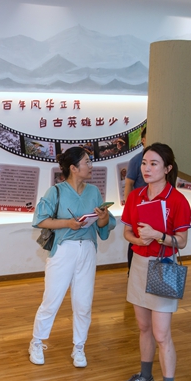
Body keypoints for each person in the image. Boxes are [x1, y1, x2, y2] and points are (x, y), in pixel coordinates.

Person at [119, 143, 191, 381]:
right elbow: (127, 232)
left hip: (163, 266)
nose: (146, 169)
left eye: (154, 164)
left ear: (167, 168)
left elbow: (181, 242)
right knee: (144, 327)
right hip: (139, 264)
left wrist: (158, 235)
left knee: (162, 334)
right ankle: (146, 376)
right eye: (144, 163)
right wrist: (138, 239)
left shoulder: (178, 200)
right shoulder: (135, 196)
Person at [29, 147, 116, 368]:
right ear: (73, 168)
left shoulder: (94, 191)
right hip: (63, 250)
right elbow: (40, 220)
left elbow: (103, 226)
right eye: (87, 162)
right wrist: (68, 223)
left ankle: (79, 347)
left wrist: (103, 217)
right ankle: (37, 342)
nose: (91, 166)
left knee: (83, 303)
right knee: (52, 300)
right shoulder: (55, 192)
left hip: (87, 249)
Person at [124, 127, 147, 271]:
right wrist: (129, 208)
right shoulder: (136, 160)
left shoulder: (165, 160)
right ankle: (131, 271)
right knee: (135, 239)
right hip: (139, 208)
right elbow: (128, 184)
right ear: (143, 140)